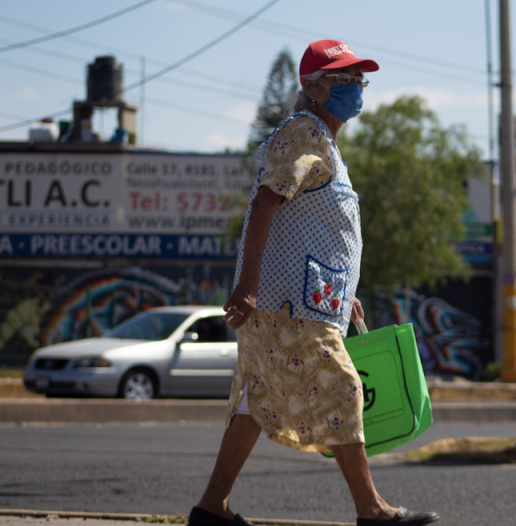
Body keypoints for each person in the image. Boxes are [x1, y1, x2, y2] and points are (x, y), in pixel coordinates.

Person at [186, 40, 440, 526]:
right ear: (314, 88)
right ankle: (372, 510)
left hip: (304, 302)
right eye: (343, 80)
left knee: (256, 400)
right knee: (343, 389)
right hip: (287, 306)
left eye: (358, 79)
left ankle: (211, 509)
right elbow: (266, 203)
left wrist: (347, 296)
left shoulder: (322, 140)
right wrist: (248, 285)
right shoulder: (304, 133)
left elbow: (313, 229)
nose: (355, 87)